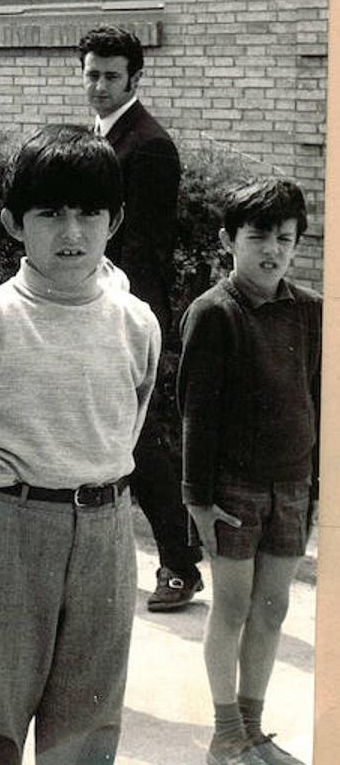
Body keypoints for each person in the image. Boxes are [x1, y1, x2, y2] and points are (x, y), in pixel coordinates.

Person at [0, 124, 160, 764]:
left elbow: (128, 418)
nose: (72, 232)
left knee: (88, 720)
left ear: (115, 222)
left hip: (107, 534)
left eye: (89, 213)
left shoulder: (136, 321)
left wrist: (95, 485)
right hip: (8, 526)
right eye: (50, 213)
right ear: (13, 222)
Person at [178, 179, 321, 765]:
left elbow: (319, 397)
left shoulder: (312, 312)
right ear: (228, 240)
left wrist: (315, 488)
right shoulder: (214, 313)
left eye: (284, 239)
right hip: (231, 490)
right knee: (232, 607)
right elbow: (195, 412)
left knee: (274, 608)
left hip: (292, 487)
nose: (271, 250)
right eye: (258, 236)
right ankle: (223, 732)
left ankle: (254, 729)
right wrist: (197, 499)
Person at [79, 25, 199, 611]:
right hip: (92, 304)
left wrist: (122, 318)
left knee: (140, 437)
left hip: (127, 311)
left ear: (135, 78)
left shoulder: (149, 146)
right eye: (92, 74)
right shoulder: (98, 136)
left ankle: (179, 563)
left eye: (111, 76)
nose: (99, 86)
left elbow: (146, 250)